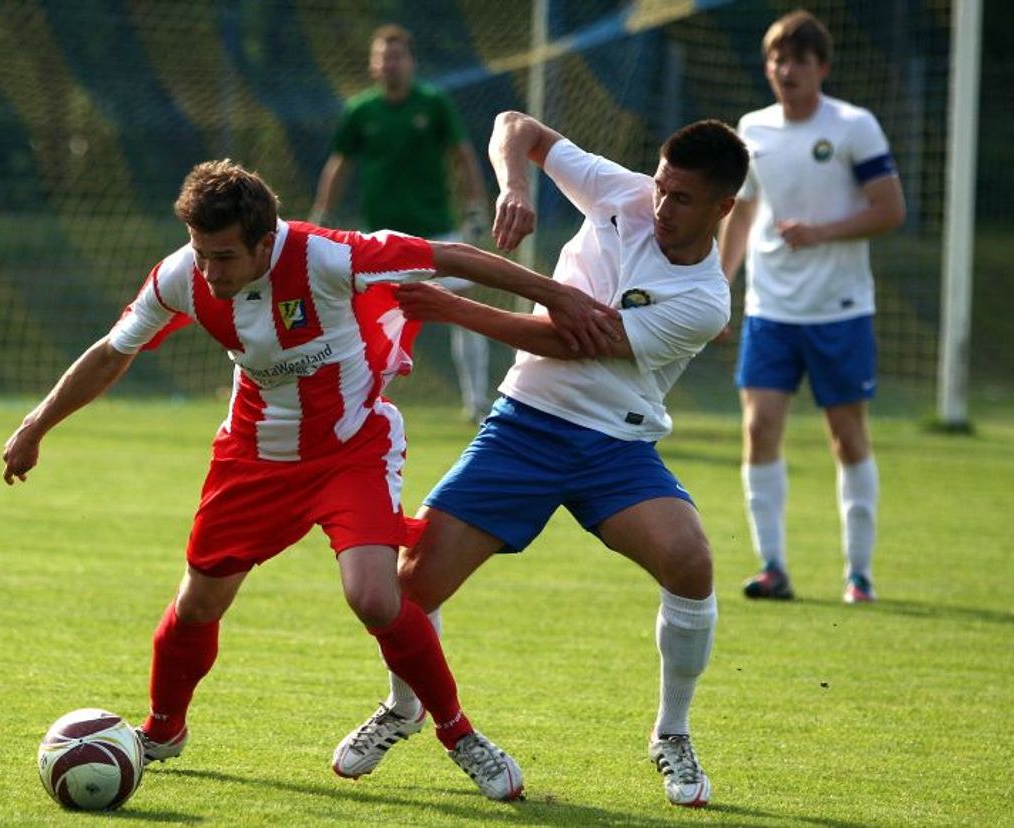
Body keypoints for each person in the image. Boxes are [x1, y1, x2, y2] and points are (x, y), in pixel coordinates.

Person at [1, 159, 617, 802]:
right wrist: (36, 425)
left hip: (352, 449)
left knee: (374, 597)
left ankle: (458, 733)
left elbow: (451, 256)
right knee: (198, 604)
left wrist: (557, 295)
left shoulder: (328, 258)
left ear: (266, 241)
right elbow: (112, 351)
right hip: (253, 456)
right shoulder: (182, 276)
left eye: (224, 256)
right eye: (199, 251)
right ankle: (161, 730)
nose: (209, 272)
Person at [329, 111, 750, 809]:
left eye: (682, 198)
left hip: (615, 445)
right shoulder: (625, 194)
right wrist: (515, 186)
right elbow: (514, 125)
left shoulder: (705, 300)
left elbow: (576, 339)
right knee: (409, 586)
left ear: (723, 207)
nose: (661, 205)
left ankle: (671, 733)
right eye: (661, 187)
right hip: (525, 426)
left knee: (692, 561)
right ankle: (405, 708)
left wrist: (453, 309)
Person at [718, 9, 906, 604]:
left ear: (821, 67)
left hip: (840, 309)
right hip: (770, 311)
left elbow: (890, 209)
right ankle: (772, 566)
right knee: (759, 428)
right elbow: (742, 214)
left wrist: (821, 232)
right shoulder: (752, 128)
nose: (786, 69)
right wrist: (720, 287)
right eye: (777, 58)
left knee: (847, 437)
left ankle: (859, 575)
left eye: (798, 59)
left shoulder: (854, 126)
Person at [310, 23, 493, 424]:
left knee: (467, 314)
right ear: (373, 65)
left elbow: (463, 154)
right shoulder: (360, 110)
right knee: (365, 323)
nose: (390, 64)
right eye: (382, 57)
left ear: (410, 62)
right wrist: (323, 214)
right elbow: (339, 164)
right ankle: (361, 403)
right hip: (382, 242)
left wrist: (476, 206)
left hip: (438, 232)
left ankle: (478, 403)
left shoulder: (434, 103)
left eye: (397, 56)